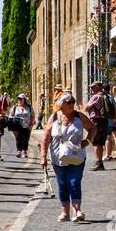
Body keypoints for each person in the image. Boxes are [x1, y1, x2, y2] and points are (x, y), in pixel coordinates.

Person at [42, 91, 95, 222]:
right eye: (68, 102)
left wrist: (87, 142)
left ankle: (77, 211)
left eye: (73, 102)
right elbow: (46, 138)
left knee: (74, 182)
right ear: (61, 104)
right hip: (57, 158)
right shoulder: (54, 118)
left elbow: (93, 128)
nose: (72, 104)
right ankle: (65, 212)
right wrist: (43, 157)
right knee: (62, 183)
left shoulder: (79, 117)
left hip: (77, 156)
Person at [84, 82, 110, 171]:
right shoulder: (107, 96)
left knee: (96, 142)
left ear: (98, 87)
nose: (91, 89)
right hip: (104, 121)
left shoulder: (95, 97)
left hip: (96, 121)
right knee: (101, 143)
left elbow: (86, 108)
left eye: (93, 87)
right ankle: (100, 162)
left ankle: (98, 162)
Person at [8, 93, 34, 158]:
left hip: (26, 126)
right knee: (18, 139)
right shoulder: (15, 107)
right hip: (17, 126)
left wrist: (31, 124)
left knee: (26, 139)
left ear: (24, 100)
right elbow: (10, 115)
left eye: (21, 99)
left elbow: (32, 116)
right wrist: (10, 124)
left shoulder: (29, 107)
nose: (19, 100)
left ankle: (24, 151)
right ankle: (19, 151)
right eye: (18, 99)